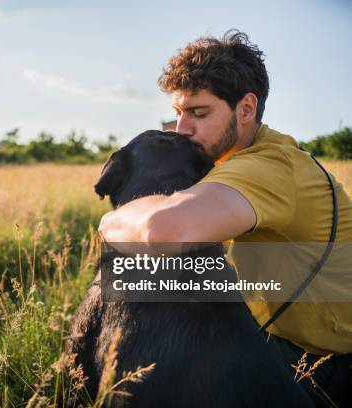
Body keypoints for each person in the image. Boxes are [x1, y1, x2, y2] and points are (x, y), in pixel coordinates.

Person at [98, 29, 352, 406]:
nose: (183, 130)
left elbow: (162, 231)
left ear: (246, 109)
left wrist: (109, 222)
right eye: (179, 113)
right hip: (282, 339)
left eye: (199, 113)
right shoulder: (235, 158)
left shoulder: (268, 168)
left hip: (328, 367)